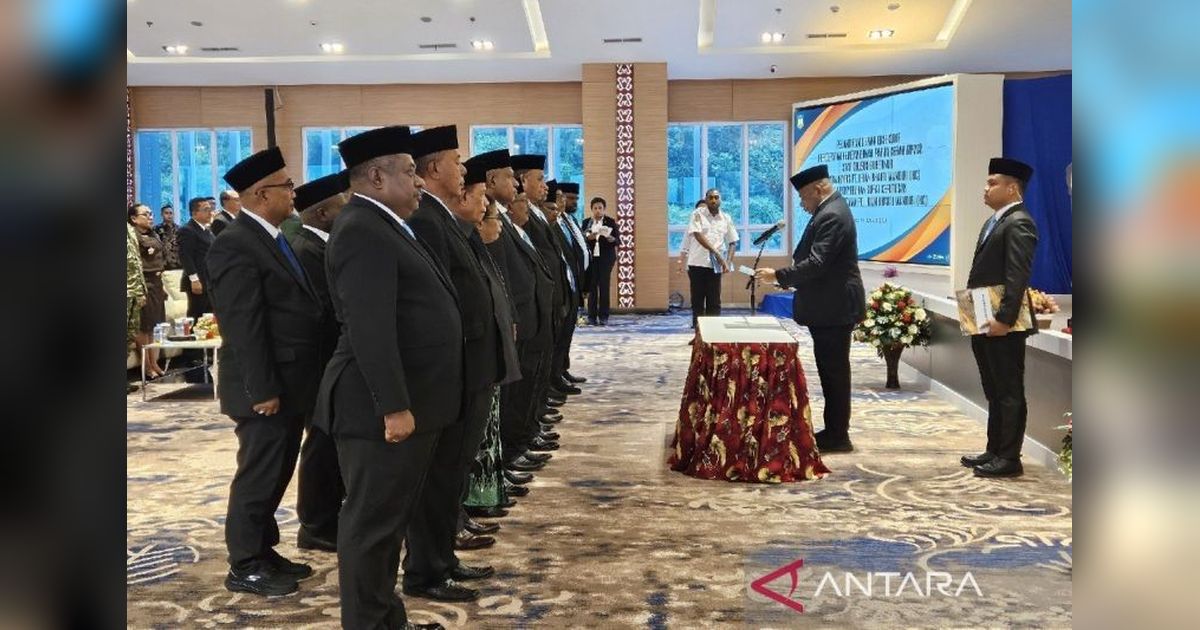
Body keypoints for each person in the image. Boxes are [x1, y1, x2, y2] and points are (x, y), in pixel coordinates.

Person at [312, 126, 456, 630]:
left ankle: (385, 619)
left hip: (402, 399)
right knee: (372, 526)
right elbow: (369, 327)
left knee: (387, 523)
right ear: (376, 176)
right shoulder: (361, 229)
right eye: (411, 172)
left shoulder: (384, 224)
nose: (419, 182)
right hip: (375, 407)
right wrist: (393, 405)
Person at [205, 147, 324, 597]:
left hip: (287, 382)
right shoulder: (235, 243)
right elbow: (244, 324)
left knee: (276, 471)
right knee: (258, 475)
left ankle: (263, 549)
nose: (293, 192)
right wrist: (263, 389)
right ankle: (244, 563)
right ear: (260, 194)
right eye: (286, 185)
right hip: (262, 387)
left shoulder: (270, 236)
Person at [403, 125, 504, 602]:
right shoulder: (426, 219)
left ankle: (443, 559)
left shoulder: (442, 216)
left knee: (455, 469)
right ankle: (426, 569)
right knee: (440, 474)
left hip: (471, 365)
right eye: (456, 161)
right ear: (433, 168)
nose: (463, 169)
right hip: (454, 369)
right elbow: (438, 304)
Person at [755, 164, 865, 454]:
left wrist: (779, 276)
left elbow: (817, 263)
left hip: (834, 307)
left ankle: (838, 436)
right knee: (831, 371)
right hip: (829, 305)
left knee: (835, 373)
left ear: (818, 189)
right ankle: (835, 431)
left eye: (804, 198)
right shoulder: (829, 210)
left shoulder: (832, 214)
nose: (802, 205)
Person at [449, 153, 521, 549]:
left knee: (471, 444)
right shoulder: (451, 232)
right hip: (465, 357)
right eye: (480, 199)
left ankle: (460, 516)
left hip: (483, 353)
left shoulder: (466, 234)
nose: (485, 209)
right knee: (459, 452)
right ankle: (452, 524)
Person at [960, 158, 1039, 478]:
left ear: (1012, 188)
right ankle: (994, 449)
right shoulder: (995, 221)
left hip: (1003, 323)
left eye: (992, 183)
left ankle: (1009, 457)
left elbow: (1017, 276)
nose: (985, 188)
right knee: (993, 388)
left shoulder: (1019, 222)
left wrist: (1004, 319)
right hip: (982, 315)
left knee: (1008, 390)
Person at [287, 170, 350, 553]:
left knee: (331, 443)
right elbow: (322, 312)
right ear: (324, 213)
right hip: (318, 364)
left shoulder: (321, 245)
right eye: (343, 206)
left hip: (328, 362)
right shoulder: (307, 250)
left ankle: (328, 516)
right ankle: (316, 524)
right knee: (321, 445)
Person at [484, 153, 555, 487]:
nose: (515, 184)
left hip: (529, 314)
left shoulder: (506, 218)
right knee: (512, 394)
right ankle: (512, 450)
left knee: (525, 388)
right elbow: (501, 275)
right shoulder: (490, 220)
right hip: (516, 319)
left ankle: (521, 441)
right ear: (490, 181)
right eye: (509, 177)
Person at [685, 188, 738, 331]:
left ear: (720, 199)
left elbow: (733, 241)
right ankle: (699, 334)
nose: (713, 200)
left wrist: (728, 261)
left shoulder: (726, 218)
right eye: (710, 197)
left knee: (714, 301)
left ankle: (714, 332)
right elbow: (698, 235)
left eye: (716, 197)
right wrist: (717, 254)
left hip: (716, 266)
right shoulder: (697, 214)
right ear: (706, 199)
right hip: (697, 263)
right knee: (697, 301)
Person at [129, 203, 167, 379]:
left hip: (157, 283)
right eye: (146, 214)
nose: (151, 217)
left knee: (152, 325)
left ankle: (154, 362)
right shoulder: (132, 237)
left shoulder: (153, 234)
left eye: (151, 213)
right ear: (134, 218)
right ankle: (147, 366)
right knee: (143, 326)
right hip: (143, 283)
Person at [581, 196, 619, 325]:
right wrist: (588, 238)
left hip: (606, 258)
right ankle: (591, 316)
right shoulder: (587, 222)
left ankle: (604, 316)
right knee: (592, 287)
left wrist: (611, 239)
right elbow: (581, 239)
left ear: (604, 209)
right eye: (595, 208)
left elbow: (617, 240)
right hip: (591, 259)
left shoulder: (610, 222)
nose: (598, 210)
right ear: (592, 209)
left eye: (600, 208)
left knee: (604, 286)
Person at [176, 197, 214, 319]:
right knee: (197, 314)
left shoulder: (206, 230)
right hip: (197, 280)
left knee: (209, 316)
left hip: (209, 279)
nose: (210, 213)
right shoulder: (187, 230)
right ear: (194, 213)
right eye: (206, 210)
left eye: (211, 209)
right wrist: (194, 280)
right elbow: (185, 256)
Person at [126, 220, 146, 358]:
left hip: (135, 288)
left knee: (131, 332)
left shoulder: (130, 229)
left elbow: (137, 260)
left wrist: (142, 289)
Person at [155, 204, 181, 270]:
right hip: (163, 262)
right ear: (162, 214)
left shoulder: (179, 229)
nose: (169, 215)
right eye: (166, 213)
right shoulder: (156, 229)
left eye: (171, 213)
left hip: (178, 261)